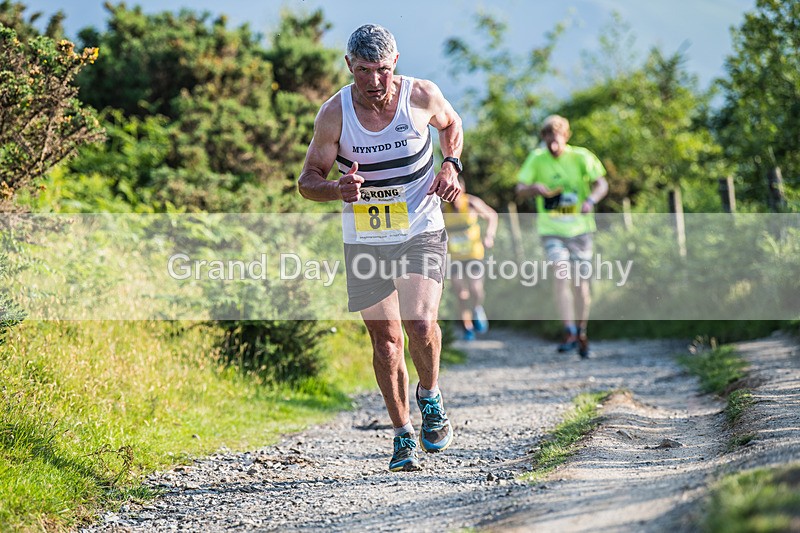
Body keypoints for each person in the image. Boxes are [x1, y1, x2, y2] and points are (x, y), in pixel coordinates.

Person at [297, 24, 463, 472]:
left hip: (420, 226)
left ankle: (429, 396)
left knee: (420, 321)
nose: (375, 81)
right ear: (349, 66)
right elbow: (307, 181)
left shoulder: (421, 96)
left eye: (384, 70)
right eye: (365, 71)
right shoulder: (334, 113)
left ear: (396, 63)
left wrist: (450, 165)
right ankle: (402, 434)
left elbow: (452, 125)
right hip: (368, 235)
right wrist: (336, 190)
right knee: (386, 343)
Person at [515, 114, 608, 358]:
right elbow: (520, 188)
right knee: (560, 272)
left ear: (566, 136)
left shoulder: (582, 157)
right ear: (543, 139)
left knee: (581, 286)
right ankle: (567, 330)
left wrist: (591, 199)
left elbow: (602, 184)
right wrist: (533, 188)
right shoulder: (537, 158)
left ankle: (581, 330)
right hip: (551, 229)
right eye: (548, 141)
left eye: (556, 140)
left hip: (580, 230)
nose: (553, 146)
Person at [443, 177, 498, 341]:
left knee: (475, 290)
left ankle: (476, 308)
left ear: (463, 189)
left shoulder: (472, 203)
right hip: (455, 257)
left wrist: (489, 235)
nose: (455, 195)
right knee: (461, 293)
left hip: (474, 254)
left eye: (457, 190)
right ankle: (467, 327)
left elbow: (492, 216)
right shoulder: (442, 208)